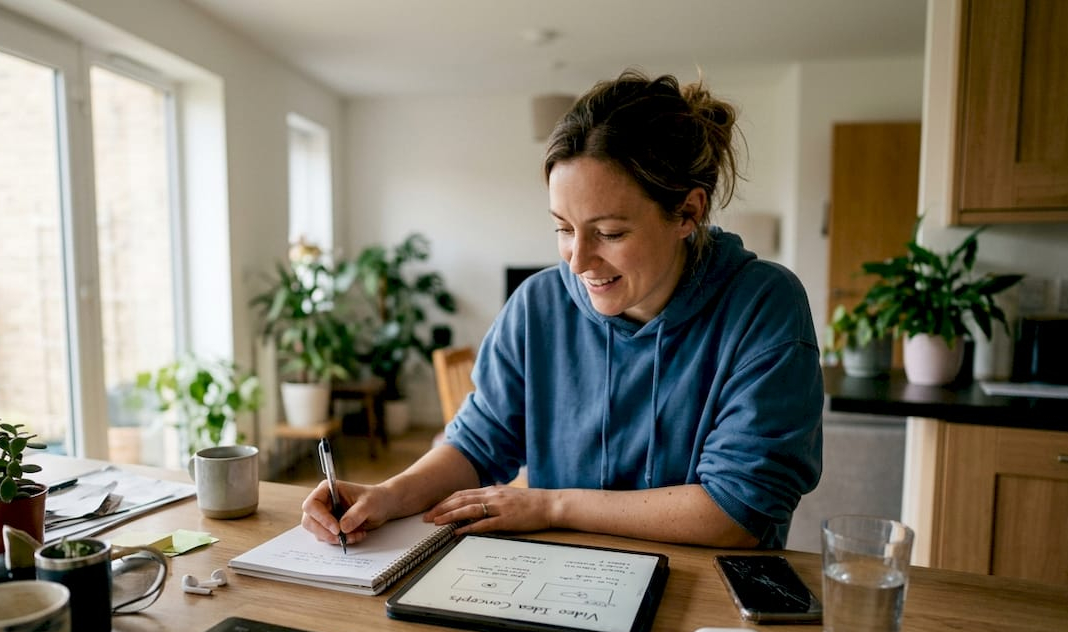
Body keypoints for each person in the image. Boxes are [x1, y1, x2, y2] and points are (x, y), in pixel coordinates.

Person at [302, 70, 823, 550]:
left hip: (706, 598)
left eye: (610, 233)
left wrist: (552, 503)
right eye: (562, 228)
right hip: (556, 585)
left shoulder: (764, 307)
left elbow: (738, 510)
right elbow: (479, 443)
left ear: (688, 211)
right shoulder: (537, 305)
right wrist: (390, 494)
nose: (578, 260)